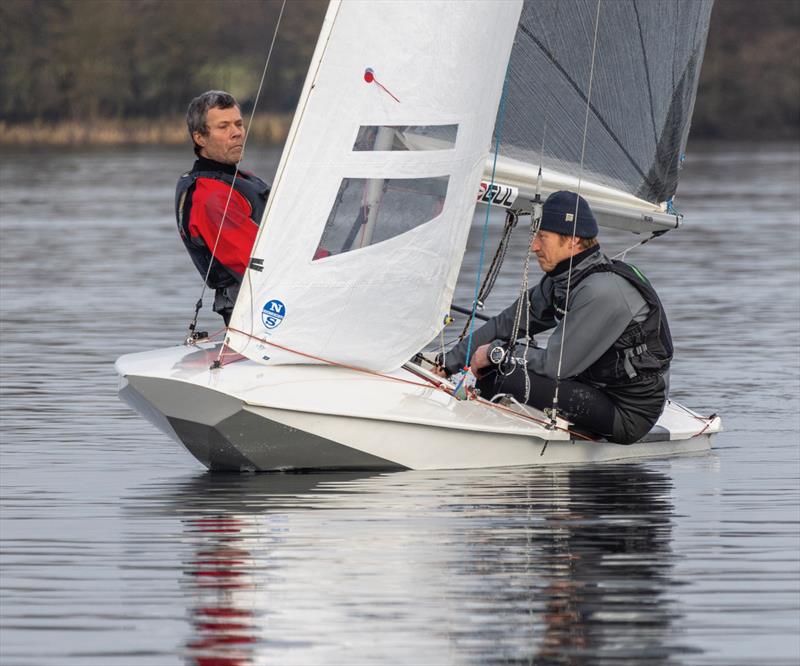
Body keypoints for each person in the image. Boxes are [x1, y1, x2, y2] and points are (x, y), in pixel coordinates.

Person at [438, 191, 673, 444]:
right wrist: (445, 364)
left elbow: (555, 365)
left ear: (572, 240)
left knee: (500, 376)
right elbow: (506, 325)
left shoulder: (602, 291)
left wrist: (497, 353)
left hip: (628, 411)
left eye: (542, 237)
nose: (534, 246)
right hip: (593, 386)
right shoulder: (561, 280)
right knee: (502, 363)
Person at [175, 90, 270, 325]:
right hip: (259, 311)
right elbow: (254, 264)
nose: (236, 133)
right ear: (200, 138)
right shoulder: (212, 197)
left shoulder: (236, 179)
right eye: (223, 127)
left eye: (239, 124)